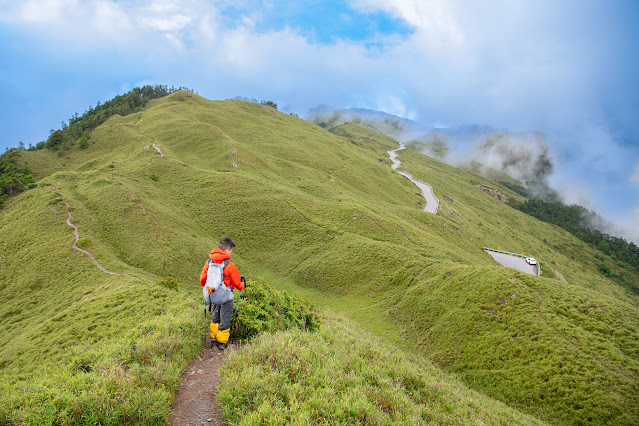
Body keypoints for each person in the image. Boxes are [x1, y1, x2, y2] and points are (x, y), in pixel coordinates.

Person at [199, 236, 244, 350]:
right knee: (225, 317)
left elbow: (202, 281)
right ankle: (222, 343)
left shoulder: (209, 262)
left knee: (215, 316)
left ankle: (213, 340)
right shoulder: (230, 265)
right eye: (231, 251)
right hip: (226, 297)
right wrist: (242, 285)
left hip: (213, 295)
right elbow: (237, 283)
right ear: (227, 251)